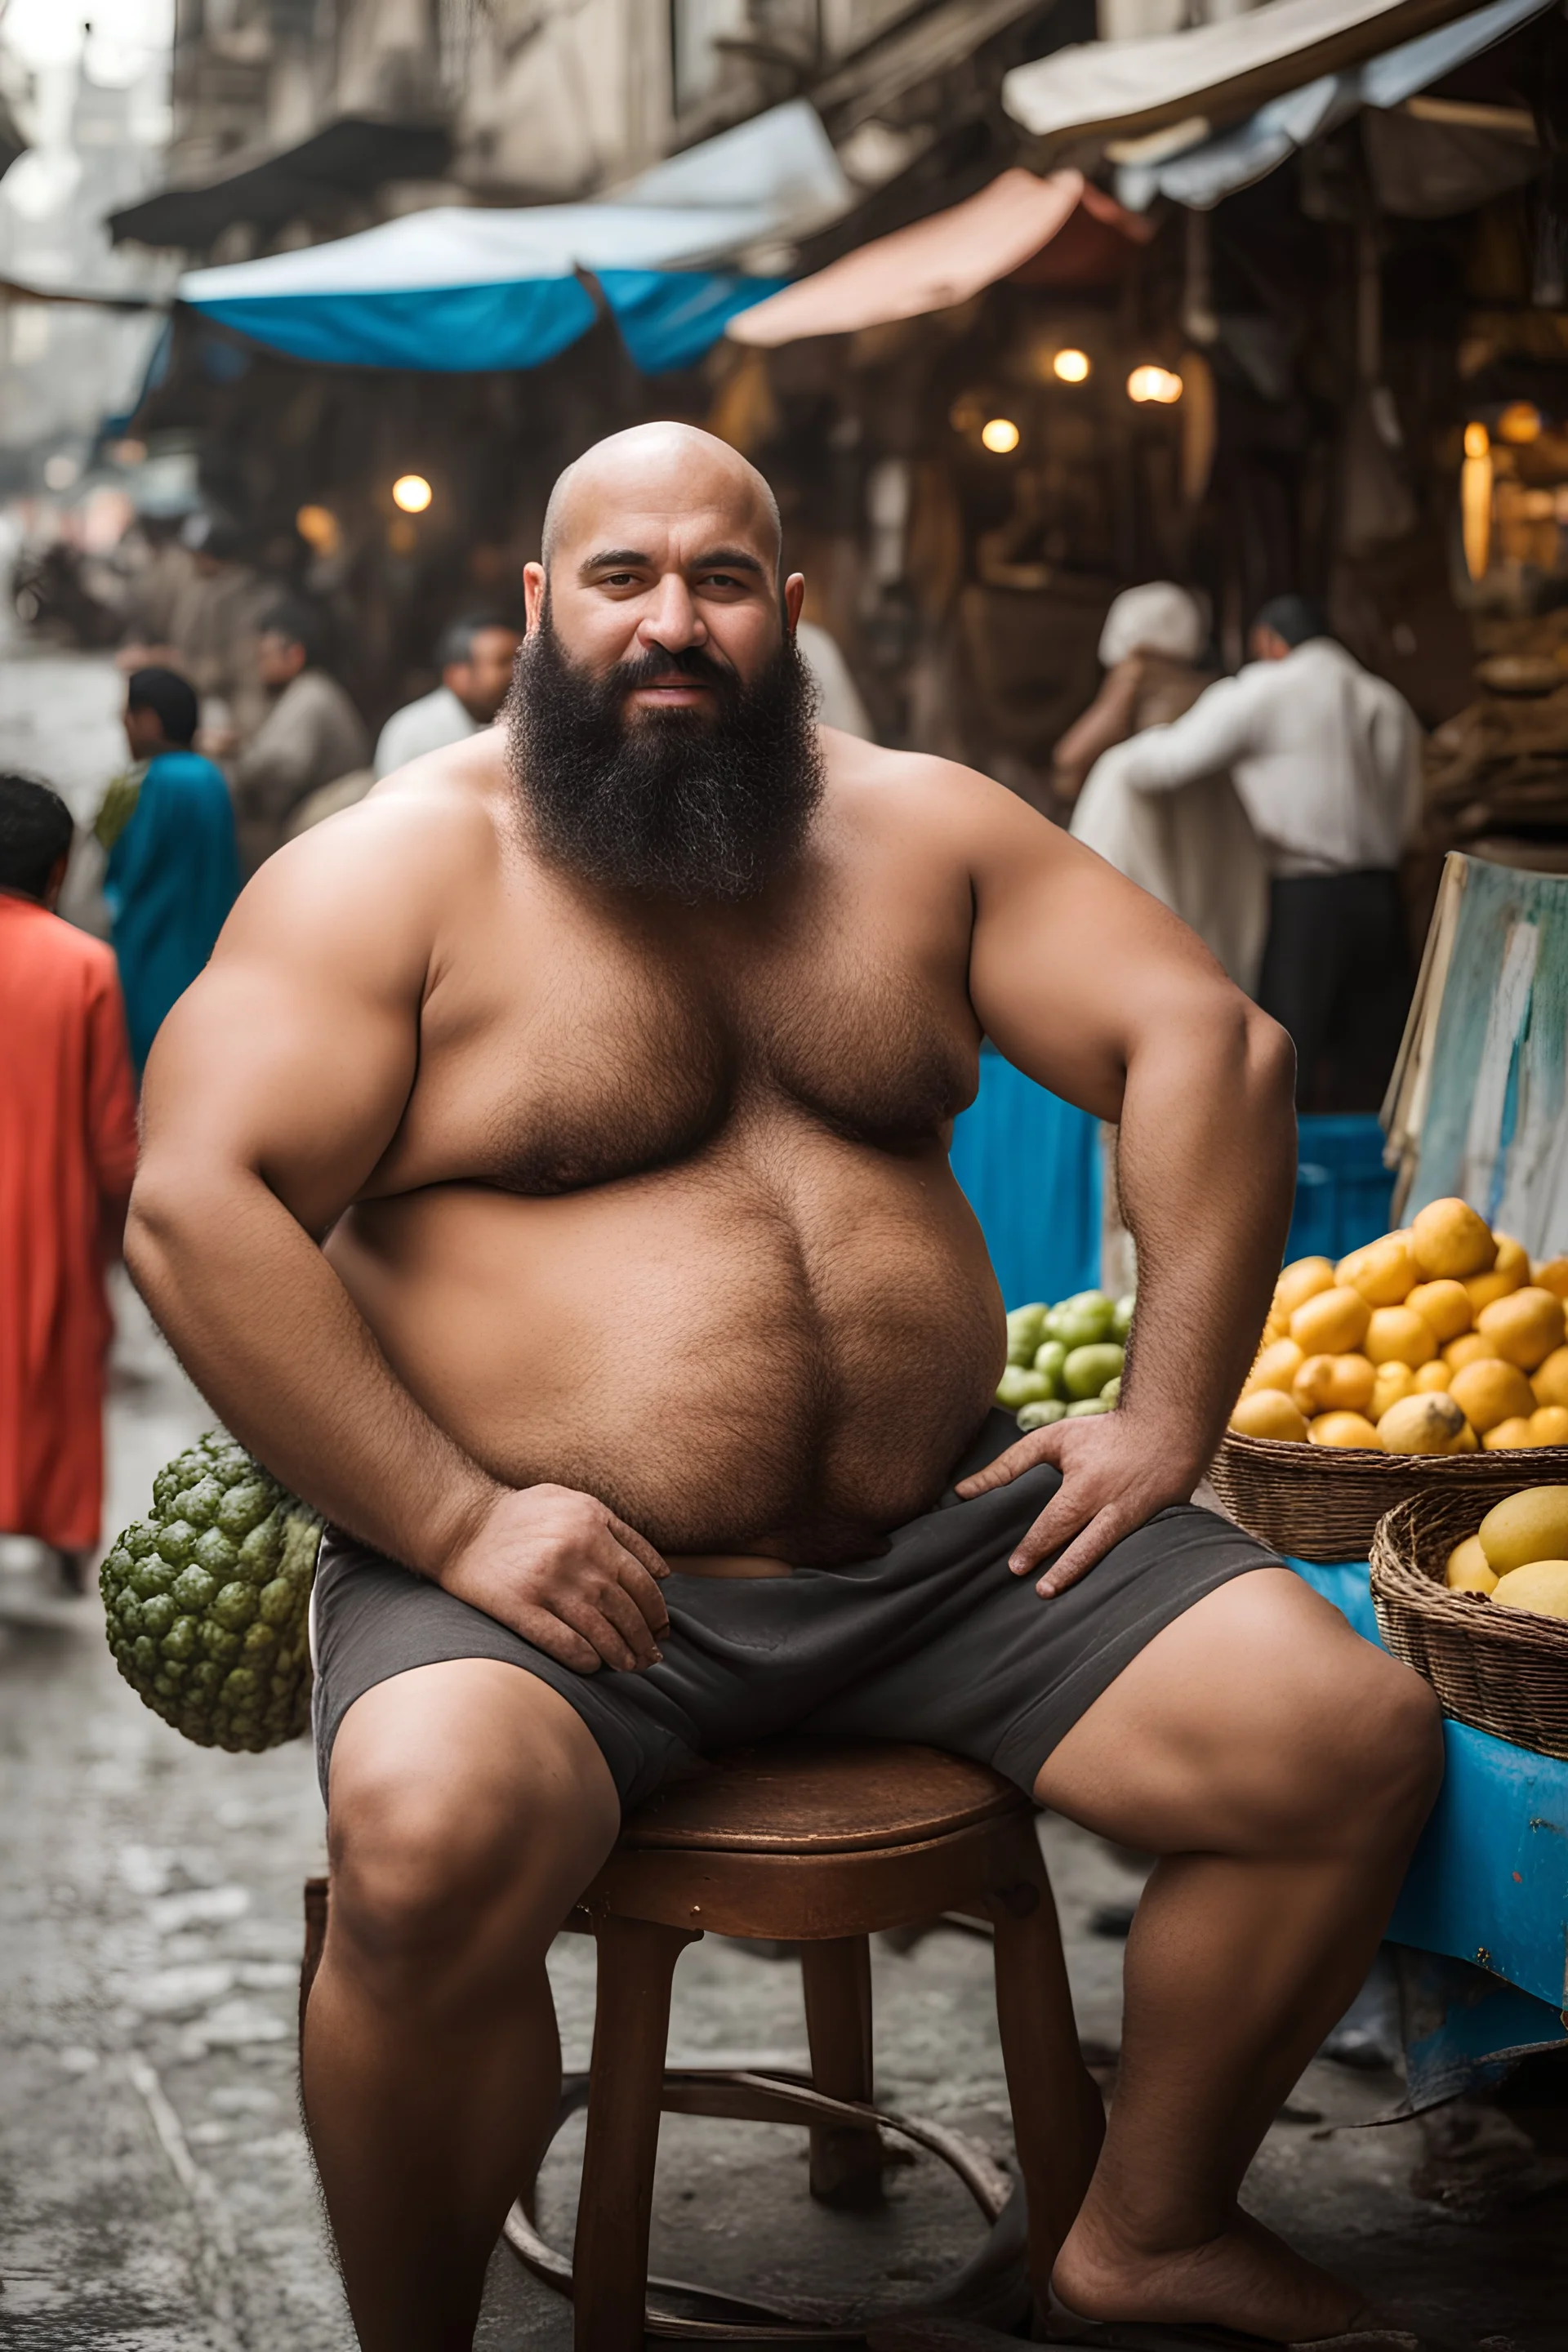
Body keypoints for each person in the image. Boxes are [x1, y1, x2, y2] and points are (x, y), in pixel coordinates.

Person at [130, 425, 1442, 2352]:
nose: (675, 623)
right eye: (623, 579)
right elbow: (193, 1202)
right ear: (534, 610)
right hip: (550, 1583)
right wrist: (453, 1518)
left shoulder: (921, 831)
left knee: (1345, 1747)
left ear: (787, 610)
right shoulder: (391, 871)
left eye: (721, 581)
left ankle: (1145, 2226)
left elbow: (1212, 1050)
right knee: (420, 1848)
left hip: (949, 1546)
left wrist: (1168, 1413)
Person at [1105, 594, 1422, 1108]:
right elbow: (1411, 814)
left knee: (1286, 1065)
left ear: (1268, 644)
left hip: (1307, 900)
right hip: (1381, 901)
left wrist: (1116, 759)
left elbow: (1164, 764)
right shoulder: (1386, 700)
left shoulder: (1266, 690)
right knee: (1379, 1071)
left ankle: (1287, 1185)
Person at [0, 776, 139, 1592]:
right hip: (43, 1221)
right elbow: (110, 1138)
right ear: (57, 874)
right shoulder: (83, 967)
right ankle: (59, 1541)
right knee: (54, 1365)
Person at [1057, 584, 1269, 995]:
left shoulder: (1123, 772)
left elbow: (1068, 763)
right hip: (1215, 993)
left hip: (1148, 993)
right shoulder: (1217, 769)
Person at [104, 667, 241, 1075]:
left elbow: (111, 880)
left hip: (145, 980)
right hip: (207, 980)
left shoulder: (138, 784)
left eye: (126, 719)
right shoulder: (212, 779)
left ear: (147, 721)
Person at [230, 597, 369, 872]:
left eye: (265, 656)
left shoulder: (311, 694)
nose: (260, 665)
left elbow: (280, 767)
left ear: (295, 655)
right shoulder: (308, 690)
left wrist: (238, 755)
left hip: (330, 821)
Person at [372, 615, 523, 778]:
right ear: (458, 676)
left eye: (521, 660)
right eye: (503, 662)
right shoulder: (414, 731)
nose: (517, 671)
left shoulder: (519, 720)